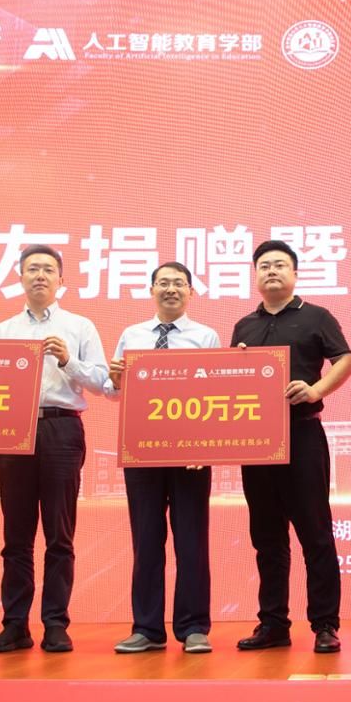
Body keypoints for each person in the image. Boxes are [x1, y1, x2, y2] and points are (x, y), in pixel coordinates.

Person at [230, 239, 351, 654]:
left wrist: (316, 389)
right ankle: (273, 623)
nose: (271, 271)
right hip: (256, 442)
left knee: (315, 534)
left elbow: (345, 361)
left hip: (302, 434)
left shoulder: (316, 316)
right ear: (256, 275)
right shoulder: (244, 326)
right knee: (267, 537)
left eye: (280, 265)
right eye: (264, 265)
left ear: (295, 273)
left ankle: (325, 624)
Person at [0, 245, 108, 654]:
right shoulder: (2, 331)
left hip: (61, 428)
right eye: (32, 269)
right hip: (13, 432)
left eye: (48, 269)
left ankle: (55, 622)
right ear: (19, 277)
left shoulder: (79, 326)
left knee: (59, 533)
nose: (40, 275)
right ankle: (15, 624)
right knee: (16, 536)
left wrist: (69, 361)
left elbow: (103, 383)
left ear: (60, 280)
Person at [106, 262, 218, 654]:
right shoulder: (132, 334)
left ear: (191, 292)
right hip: (142, 451)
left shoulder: (206, 336)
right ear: (151, 289)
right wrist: (115, 378)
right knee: (146, 541)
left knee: (191, 541)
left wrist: (206, 445)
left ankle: (193, 627)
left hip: (191, 454)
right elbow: (114, 391)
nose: (171, 289)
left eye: (179, 283)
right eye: (163, 283)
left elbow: (215, 395)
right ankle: (147, 628)